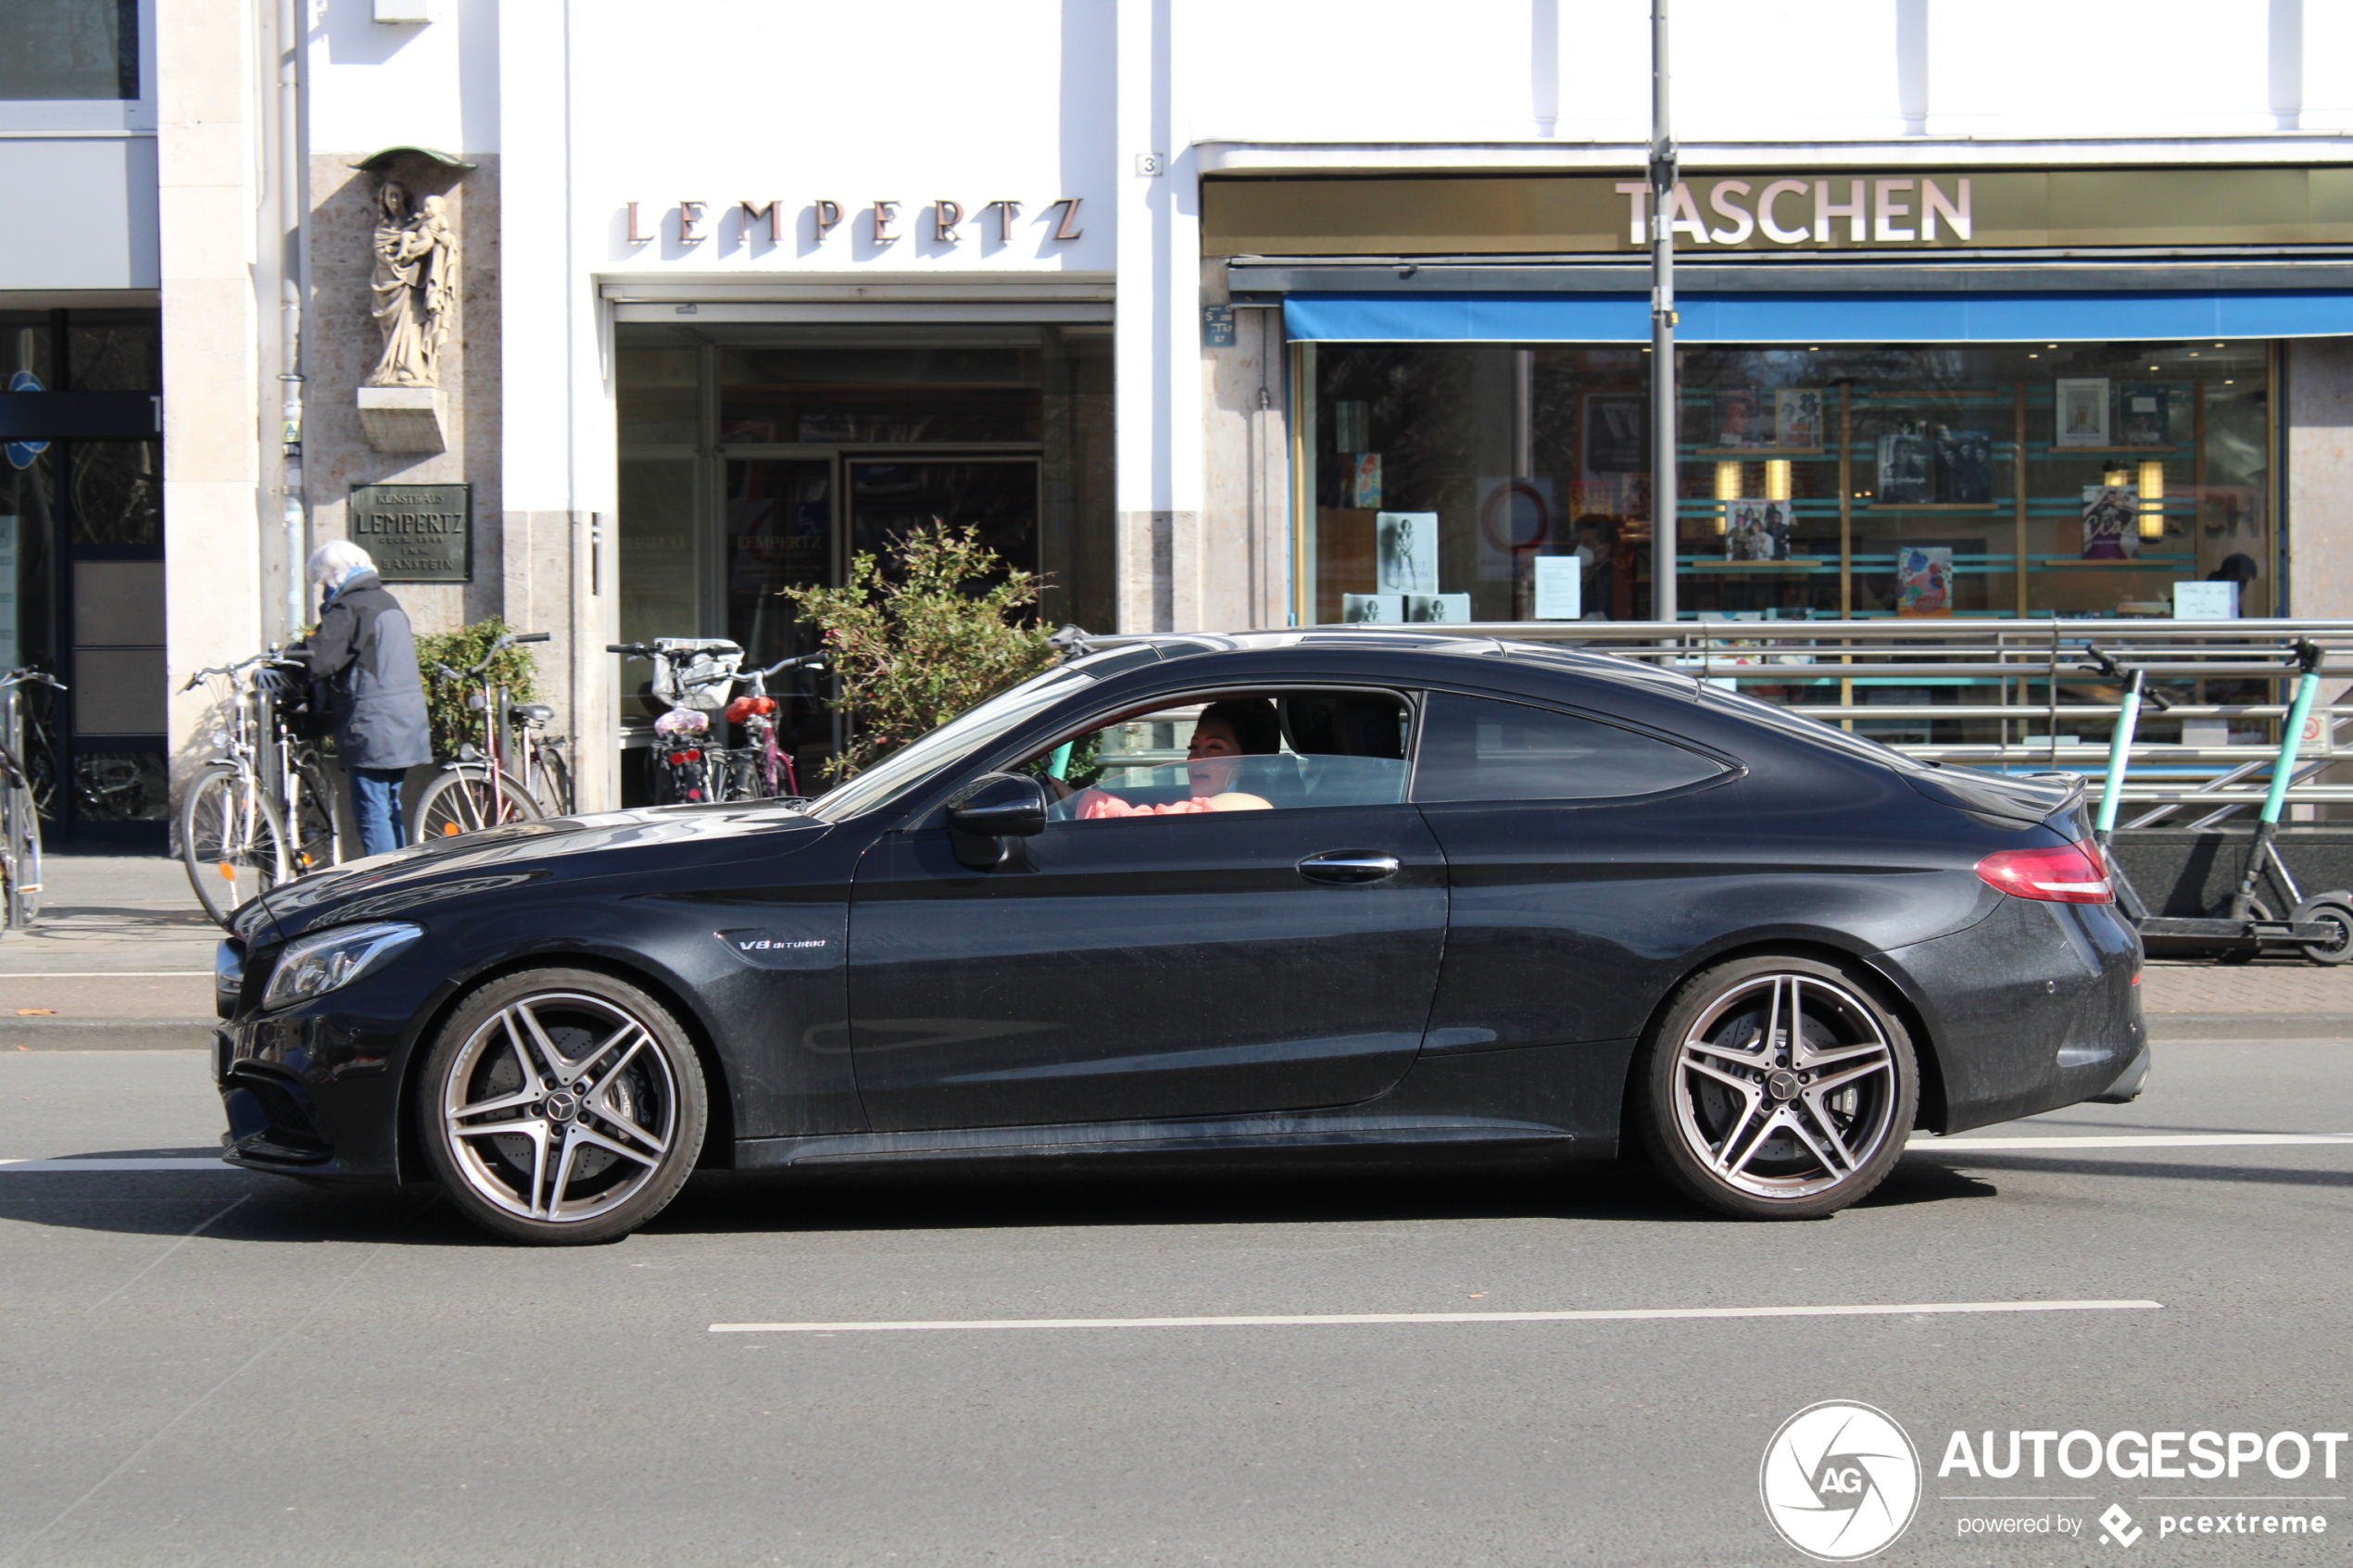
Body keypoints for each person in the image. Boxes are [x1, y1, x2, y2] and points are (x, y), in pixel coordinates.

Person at [303, 541, 432, 857]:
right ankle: (405, 878)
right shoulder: (387, 601)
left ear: (332, 575)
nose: (323, 588)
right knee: (389, 805)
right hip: (405, 721)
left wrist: (289, 659)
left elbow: (318, 660)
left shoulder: (351, 607)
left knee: (371, 811)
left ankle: (385, 888)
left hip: (372, 723)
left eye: (322, 581)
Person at [1067, 697, 1280, 820]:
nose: (1197, 757)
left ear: (1251, 758)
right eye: (1193, 746)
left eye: (1215, 747)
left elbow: (1134, 826)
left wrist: (1078, 800)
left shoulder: (1244, 806)